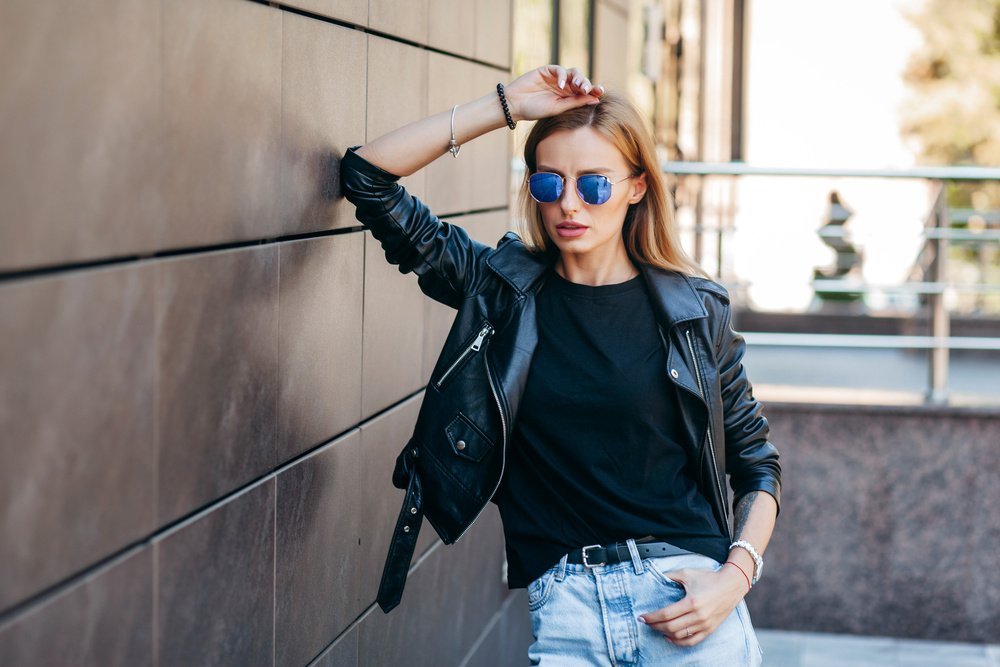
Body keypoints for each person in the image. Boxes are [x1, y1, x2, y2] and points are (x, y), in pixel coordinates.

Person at [341, 64, 781, 665]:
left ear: (636, 187)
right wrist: (504, 106)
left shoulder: (695, 313)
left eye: (594, 184)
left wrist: (734, 579)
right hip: (567, 606)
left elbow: (757, 465)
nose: (569, 204)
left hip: (689, 602)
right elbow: (367, 176)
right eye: (550, 184)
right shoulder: (497, 291)